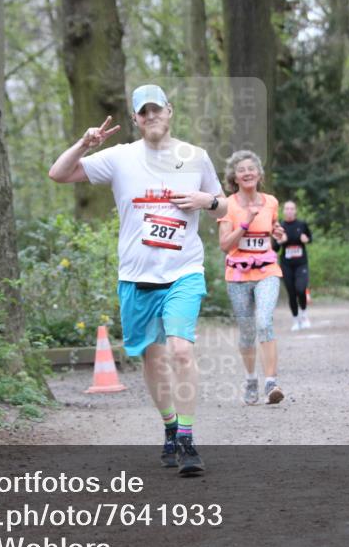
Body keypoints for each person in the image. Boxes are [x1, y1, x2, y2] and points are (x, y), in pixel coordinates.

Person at [48, 84, 226, 475]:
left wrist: (206, 201)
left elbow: (223, 204)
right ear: (135, 119)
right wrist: (84, 143)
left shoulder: (195, 157)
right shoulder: (119, 158)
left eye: (156, 109)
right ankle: (169, 426)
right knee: (153, 357)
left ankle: (188, 440)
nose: (151, 117)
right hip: (136, 276)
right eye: (143, 112)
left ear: (170, 111)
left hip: (183, 270)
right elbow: (58, 174)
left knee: (180, 350)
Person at [218, 150, 287, 406]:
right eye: (241, 170)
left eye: (251, 168)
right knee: (247, 333)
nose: (247, 173)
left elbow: (273, 231)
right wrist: (245, 224)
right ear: (234, 177)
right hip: (237, 275)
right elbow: (225, 244)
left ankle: (271, 382)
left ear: (259, 174)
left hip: (267, 270)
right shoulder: (228, 205)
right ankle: (250, 379)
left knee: (264, 321)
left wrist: (277, 234)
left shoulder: (271, 202)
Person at [275, 200, 313, 331]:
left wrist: (306, 240)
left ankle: (304, 315)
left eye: (292, 209)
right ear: (283, 211)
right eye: (287, 209)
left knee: (301, 289)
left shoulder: (302, 224)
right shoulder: (280, 226)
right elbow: (274, 247)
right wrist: (280, 241)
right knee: (291, 293)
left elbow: (310, 238)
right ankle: (295, 320)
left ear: (295, 211)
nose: (289, 211)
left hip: (301, 263)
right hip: (286, 265)